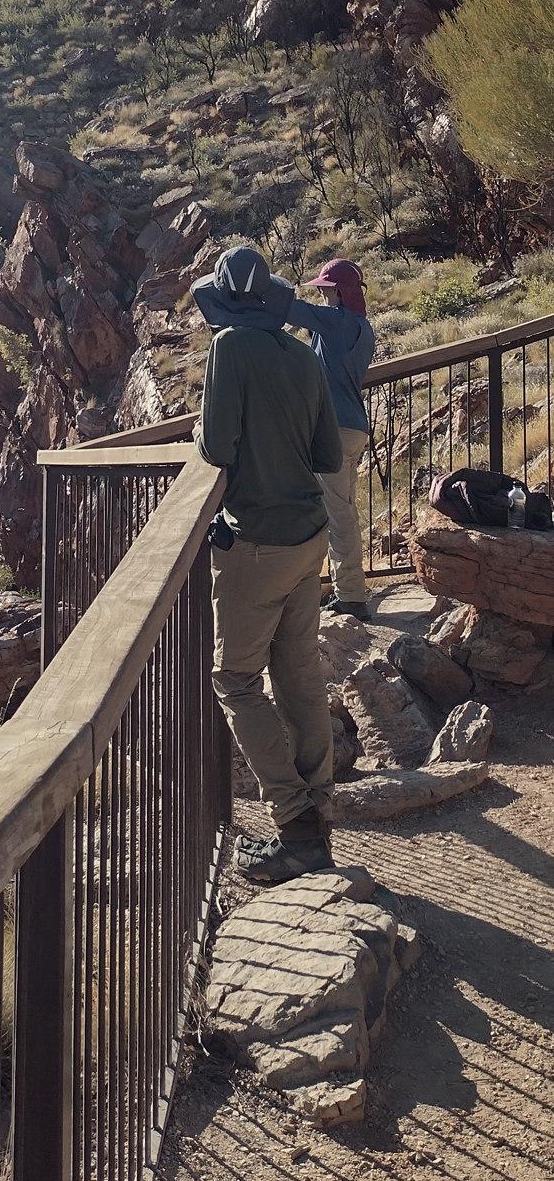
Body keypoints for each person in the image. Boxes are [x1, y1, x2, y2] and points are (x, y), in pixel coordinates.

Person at [192, 246, 343, 883]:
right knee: (300, 675)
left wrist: (203, 436)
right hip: (310, 536)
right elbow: (328, 454)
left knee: (236, 682)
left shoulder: (229, 349)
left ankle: (293, 823)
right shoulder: (304, 356)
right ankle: (319, 816)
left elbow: (217, 444)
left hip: (255, 543)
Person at [288, 260, 375, 620]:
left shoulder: (337, 321)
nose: (321, 294)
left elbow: (292, 310)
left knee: (336, 515)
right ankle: (348, 589)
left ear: (338, 292)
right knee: (344, 512)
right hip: (352, 427)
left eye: (325, 288)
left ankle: (351, 596)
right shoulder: (361, 327)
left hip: (333, 430)